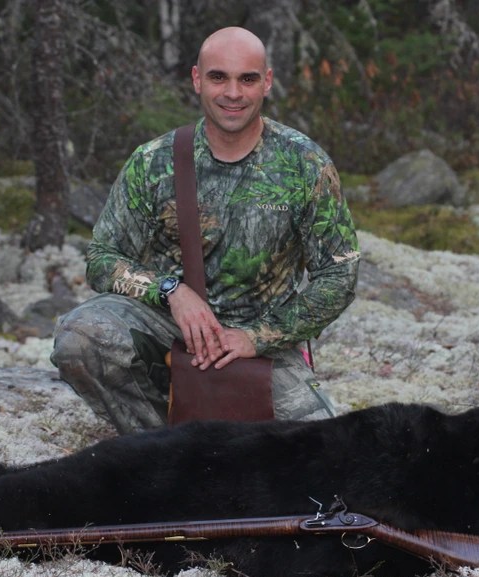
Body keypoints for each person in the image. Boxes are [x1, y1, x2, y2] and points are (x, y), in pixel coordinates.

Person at [51, 26, 360, 435]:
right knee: (78, 338)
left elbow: (339, 274)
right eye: (219, 77)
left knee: (323, 449)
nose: (233, 93)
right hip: (167, 327)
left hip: (262, 343)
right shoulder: (153, 162)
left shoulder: (304, 164)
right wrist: (170, 292)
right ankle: (159, 447)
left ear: (266, 82)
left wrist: (258, 336)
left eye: (247, 79)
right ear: (197, 79)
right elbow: (103, 259)